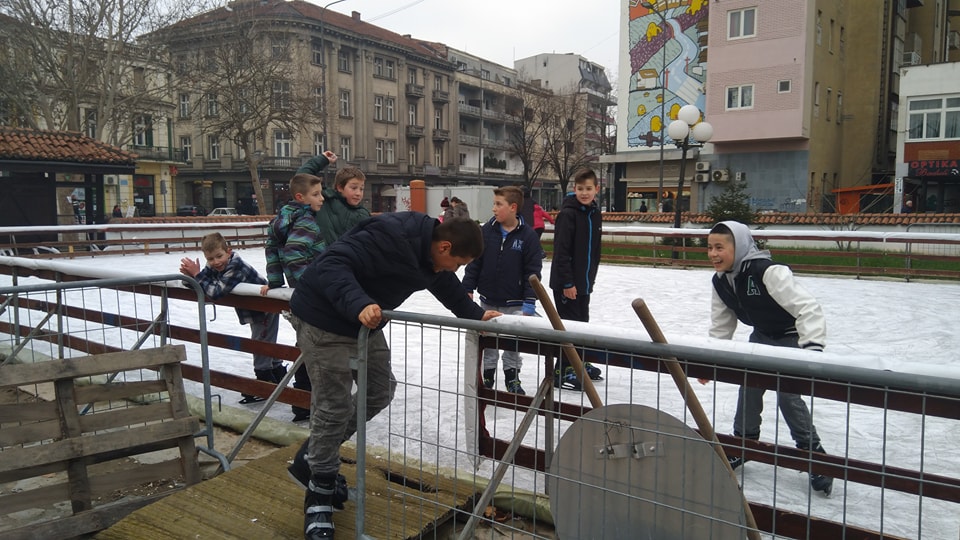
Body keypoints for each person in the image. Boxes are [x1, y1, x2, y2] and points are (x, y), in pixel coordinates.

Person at [286, 213, 501, 539]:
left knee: (379, 390)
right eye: (457, 263)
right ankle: (320, 493)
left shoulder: (430, 256)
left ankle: (315, 455)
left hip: (362, 323)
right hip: (323, 319)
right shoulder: (390, 236)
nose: (454, 270)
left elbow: (441, 282)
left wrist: (474, 314)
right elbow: (332, 264)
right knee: (334, 407)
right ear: (444, 246)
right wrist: (359, 302)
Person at [704, 220, 833, 496]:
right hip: (763, 336)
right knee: (749, 385)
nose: (713, 254)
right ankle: (744, 444)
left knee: (788, 393)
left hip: (792, 336)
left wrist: (811, 351)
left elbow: (808, 308)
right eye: (709, 247)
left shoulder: (768, 271)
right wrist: (709, 361)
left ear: (737, 247)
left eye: (719, 247)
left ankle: (815, 455)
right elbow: (721, 327)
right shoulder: (721, 282)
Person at [262, 158, 332, 421]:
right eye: (316, 194)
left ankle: (302, 402)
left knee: (306, 343)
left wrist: (276, 280)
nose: (322, 198)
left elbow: (273, 249)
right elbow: (293, 254)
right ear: (302, 198)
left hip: (297, 291)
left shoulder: (284, 218)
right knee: (313, 346)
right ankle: (307, 402)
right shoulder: (306, 222)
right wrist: (309, 286)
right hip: (311, 292)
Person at [179, 233, 282, 405]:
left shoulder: (236, 266)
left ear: (229, 251)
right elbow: (204, 282)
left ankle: (265, 384)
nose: (215, 262)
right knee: (265, 343)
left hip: (265, 309)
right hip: (253, 310)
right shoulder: (216, 267)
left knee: (260, 345)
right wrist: (191, 277)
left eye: (219, 256)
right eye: (210, 259)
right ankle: (277, 377)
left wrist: (197, 275)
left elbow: (215, 292)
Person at [462, 186, 542, 395]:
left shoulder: (528, 236)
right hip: (488, 299)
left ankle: (512, 375)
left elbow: (532, 272)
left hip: (515, 302)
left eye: (499, 204)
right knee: (488, 340)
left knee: (513, 342)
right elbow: (474, 262)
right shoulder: (486, 231)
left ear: (513, 207)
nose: (494, 208)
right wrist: (467, 287)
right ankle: (487, 375)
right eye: (494, 204)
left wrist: (530, 299)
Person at [549, 169, 603, 389]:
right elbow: (561, 252)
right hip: (567, 284)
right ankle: (564, 368)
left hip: (584, 282)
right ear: (574, 189)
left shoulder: (594, 214)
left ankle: (577, 360)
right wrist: (567, 283)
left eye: (588, 189)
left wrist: (588, 279)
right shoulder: (568, 214)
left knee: (582, 324)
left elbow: (594, 251)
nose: (584, 193)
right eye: (580, 189)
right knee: (568, 327)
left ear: (596, 190)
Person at [316, 167, 371, 246]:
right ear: (340, 187)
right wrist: (323, 159)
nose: (358, 193)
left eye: (361, 189)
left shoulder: (363, 214)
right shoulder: (324, 201)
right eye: (354, 188)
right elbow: (302, 181)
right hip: (323, 256)